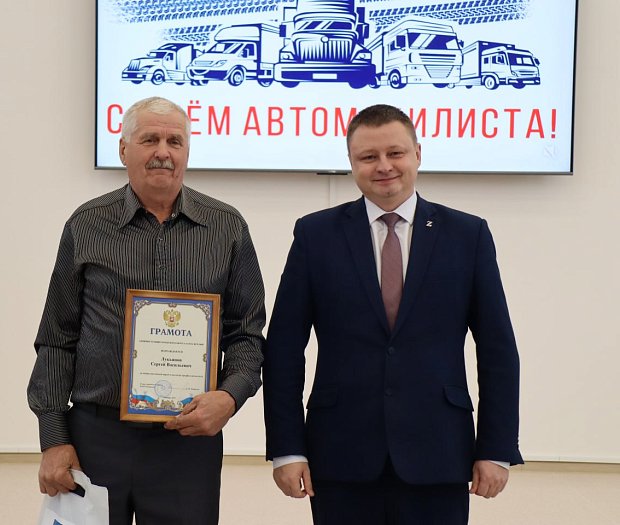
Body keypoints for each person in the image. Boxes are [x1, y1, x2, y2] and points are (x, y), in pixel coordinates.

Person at [263, 104, 522, 525]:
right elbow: (283, 349)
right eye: (368, 156)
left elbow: (498, 349)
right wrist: (287, 449)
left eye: (395, 153)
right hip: (339, 454)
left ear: (418, 154)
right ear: (352, 163)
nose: (383, 166)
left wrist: (496, 448)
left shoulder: (468, 235)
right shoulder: (315, 235)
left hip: (438, 453)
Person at [28, 96, 265, 525]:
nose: (163, 152)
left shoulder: (227, 227)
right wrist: (54, 438)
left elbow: (246, 335)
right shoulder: (86, 225)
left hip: (187, 444)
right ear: (124, 150)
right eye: (149, 139)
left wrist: (229, 398)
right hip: (95, 438)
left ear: (187, 152)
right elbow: (56, 338)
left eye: (175, 141)